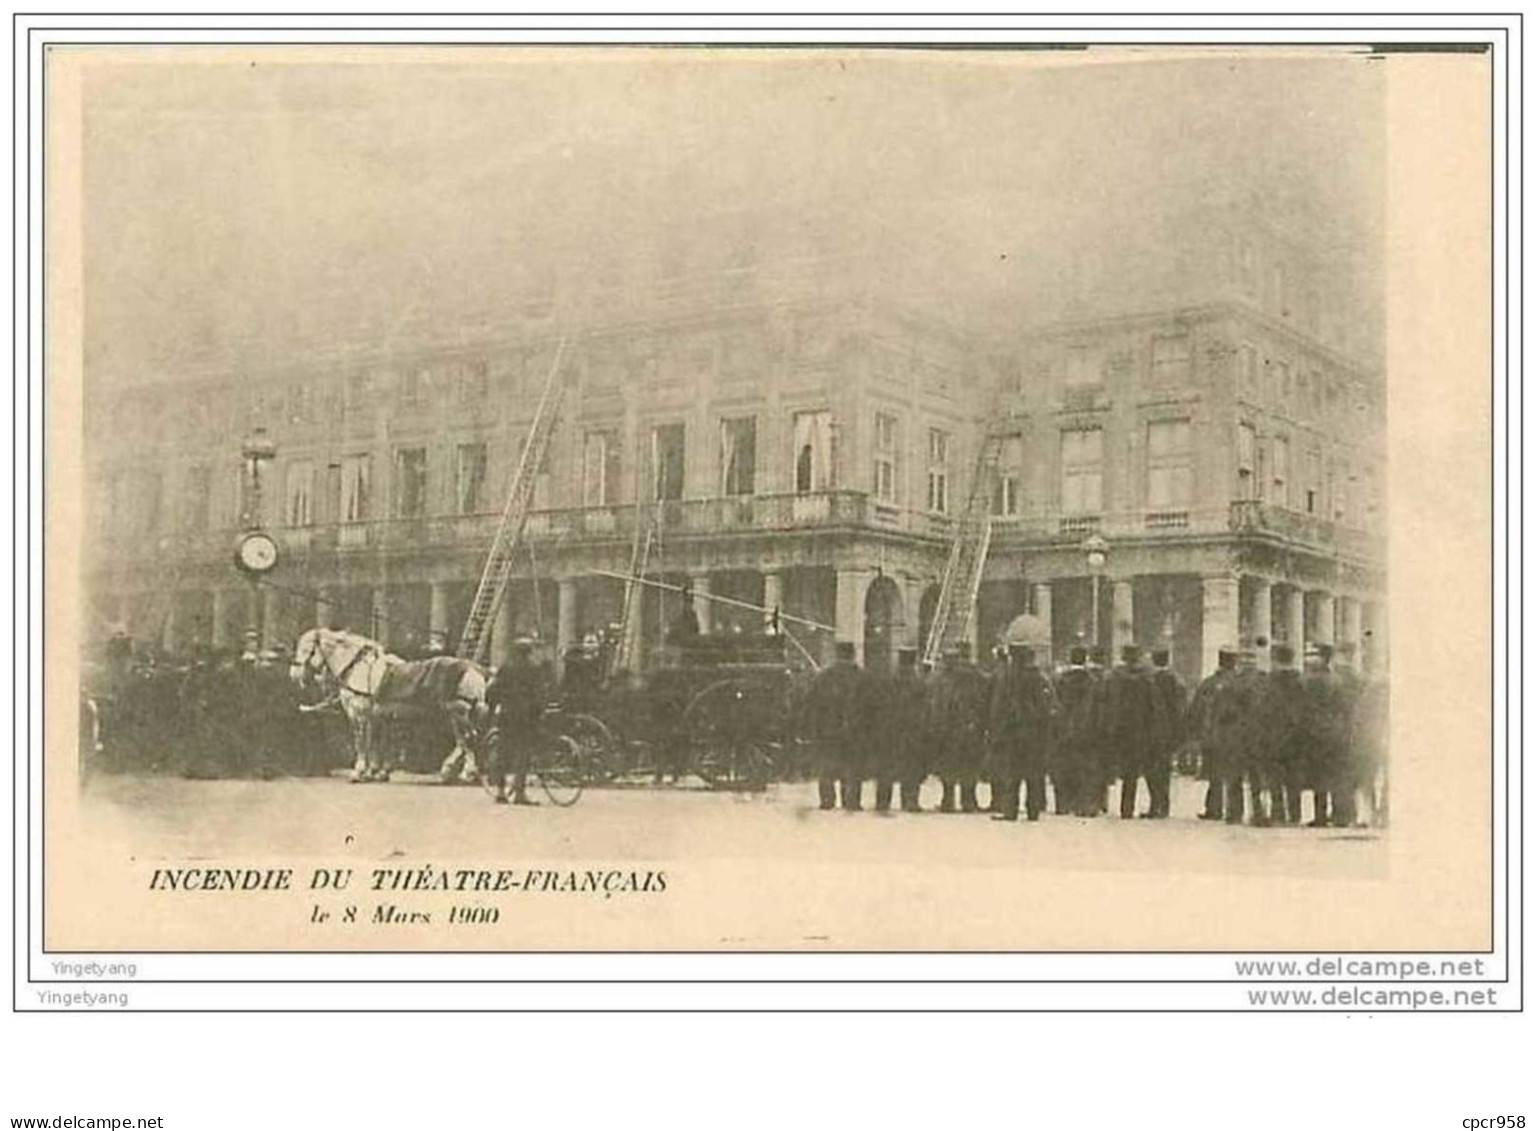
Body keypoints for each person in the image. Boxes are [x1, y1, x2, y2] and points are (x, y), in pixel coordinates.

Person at [987, 643, 1058, 821]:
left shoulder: (1007, 677)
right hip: (1034, 733)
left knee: (1011, 772)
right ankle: (1033, 810)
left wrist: (996, 730)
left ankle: (1010, 810)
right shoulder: (1038, 677)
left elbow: (998, 706)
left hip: (1012, 732)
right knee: (1033, 772)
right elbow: (1047, 704)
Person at [484, 639, 553, 805]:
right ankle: (519, 793)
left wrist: (493, 708)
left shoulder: (505, 669)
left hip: (507, 715)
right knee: (522, 753)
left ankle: (500, 792)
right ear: (528, 652)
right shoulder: (533, 670)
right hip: (526, 717)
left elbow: (492, 691)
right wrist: (540, 711)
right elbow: (539, 694)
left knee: (503, 752)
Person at [804, 640, 868, 811]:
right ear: (852, 654)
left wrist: (814, 727)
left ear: (837, 654)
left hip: (827, 729)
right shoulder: (861, 677)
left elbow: (811, 703)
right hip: (855, 729)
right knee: (853, 766)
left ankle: (827, 799)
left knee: (827, 765)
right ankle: (852, 800)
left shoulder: (824, 677)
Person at [929, 645, 989, 813]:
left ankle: (948, 801)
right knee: (969, 765)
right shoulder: (977, 675)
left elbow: (938, 705)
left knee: (949, 766)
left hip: (949, 729)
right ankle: (969, 801)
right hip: (971, 727)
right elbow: (983, 700)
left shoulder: (942, 679)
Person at [1102, 644, 1156, 820]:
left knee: (1112, 765)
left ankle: (1105, 803)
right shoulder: (1146, 679)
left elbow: (1106, 700)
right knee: (1132, 771)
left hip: (1117, 728)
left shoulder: (1114, 677)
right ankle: (1128, 808)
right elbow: (1152, 706)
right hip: (1139, 729)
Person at [874, 648, 926, 813]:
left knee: (886, 767)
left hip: (889, 729)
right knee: (911, 766)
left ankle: (883, 801)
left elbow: (879, 706)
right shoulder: (919, 683)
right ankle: (910, 801)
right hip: (912, 730)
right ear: (913, 661)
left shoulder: (888, 680)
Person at [1144, 647, 1186, 819]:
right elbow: (1179, 708)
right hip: (1168, 732)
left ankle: (1155, 804)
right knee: (1164, 769)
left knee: (1150, 770)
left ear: (1154, 660)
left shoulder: (1149, 681)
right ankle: (1164, 805)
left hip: (1150, 731)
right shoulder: (1176, 681)